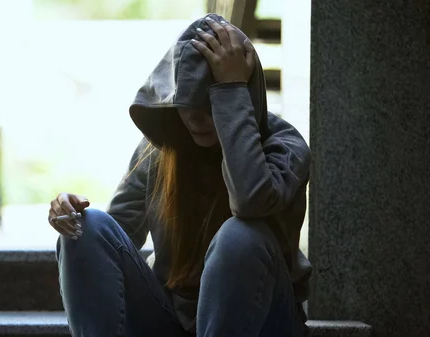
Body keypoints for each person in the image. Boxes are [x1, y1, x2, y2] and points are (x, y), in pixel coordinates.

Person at [47, 13, 312, 337]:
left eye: (210, 102)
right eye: (187, 102)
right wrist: (69, 214)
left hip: (266, 321)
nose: (196, 118)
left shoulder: (285, 148)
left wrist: (229, 88)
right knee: (85, 228)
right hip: (170, 319)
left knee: (240, 235)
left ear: (241, 96)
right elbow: (114, 241)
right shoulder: (160, 152)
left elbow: (250, 201)